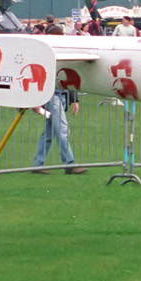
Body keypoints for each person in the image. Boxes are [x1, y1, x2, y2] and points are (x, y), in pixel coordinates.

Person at [32, 25, 84, 174]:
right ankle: (69, 164)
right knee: (62, 129)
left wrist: (74, 99)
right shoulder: (45, 53)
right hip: (53, 95)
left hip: (59, 94)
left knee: (49, 132)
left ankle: (37, 164)